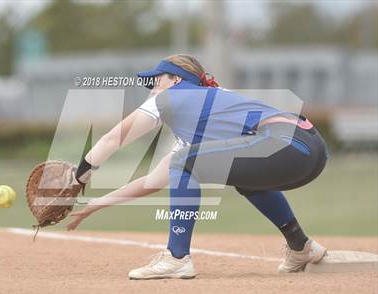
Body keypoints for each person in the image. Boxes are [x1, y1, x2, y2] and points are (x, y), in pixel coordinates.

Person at [67, 54, 329, 279]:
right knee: (236, 174)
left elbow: (113, 138)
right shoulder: (204, 112)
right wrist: (96, 204)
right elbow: (154, 181)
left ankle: (177, 257)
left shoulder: (173, 97)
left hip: (285, 143)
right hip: (310, 150)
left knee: (185, 162)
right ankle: (301, 246)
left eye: (157, 80)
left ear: (177, 80)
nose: (151, 88)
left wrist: (80, 176)